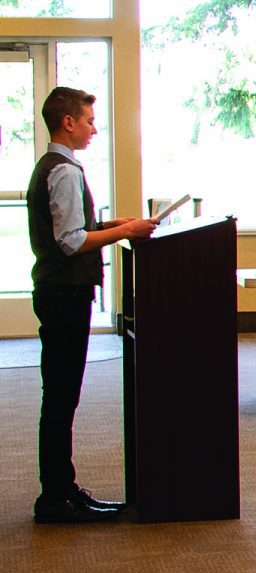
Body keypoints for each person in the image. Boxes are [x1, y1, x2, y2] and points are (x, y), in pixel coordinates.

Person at [27, 87, 158, 523]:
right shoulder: (63, 170)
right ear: (68, 122)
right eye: (88, 121)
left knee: (63, 394)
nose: (93, 128)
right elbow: (71, 242)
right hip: (64, 295)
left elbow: (74, 228)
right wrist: (127, 232)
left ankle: (62, 489)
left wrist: (114, 223)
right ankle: (55, 497)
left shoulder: (55, 166)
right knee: (62, 395)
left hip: (59, 293)